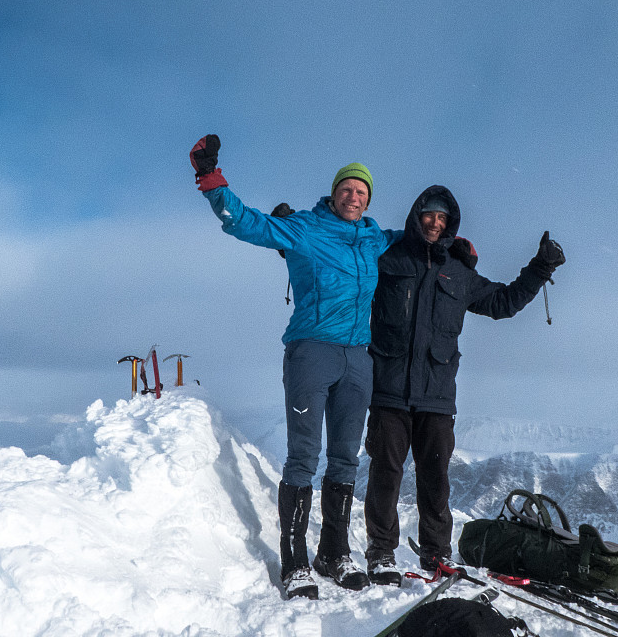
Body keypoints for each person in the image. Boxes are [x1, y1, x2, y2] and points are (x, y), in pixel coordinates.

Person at [189, 135, 403, 599]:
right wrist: (212, 179)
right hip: (312, 352)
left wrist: (449, 241)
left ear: (368, 201)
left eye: (361, 192)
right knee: (304, 458)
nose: (353, 196)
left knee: (346, 457)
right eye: (347, 189)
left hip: (358, 359)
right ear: (334, 193)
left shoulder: (375, 238)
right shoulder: (306, 228)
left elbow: (416, 242)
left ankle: (333, 553)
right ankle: (295, 562)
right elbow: (247, 224)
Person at [362, 185, 565, 586]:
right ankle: (381, 552)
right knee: (385, 474)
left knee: (435, 477)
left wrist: (540, 269)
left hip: (437, 397)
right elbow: (344, 265)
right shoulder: (388, 258)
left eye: (442, 218)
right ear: (417, 215)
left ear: (450, 224)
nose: (435, 223)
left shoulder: (460, 274)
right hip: (388, 388)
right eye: (429, 215)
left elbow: (503, 303)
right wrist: (292, 243)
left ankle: (436, 552)